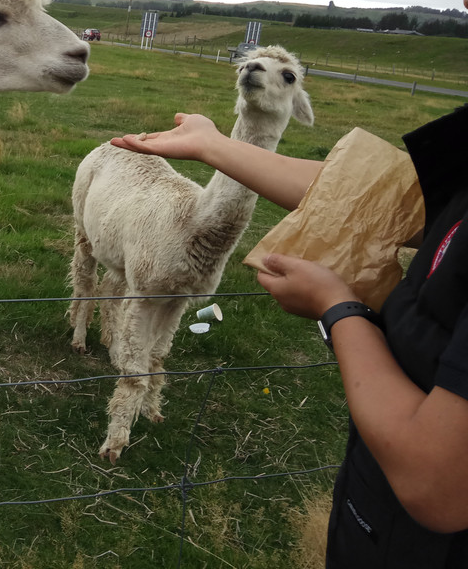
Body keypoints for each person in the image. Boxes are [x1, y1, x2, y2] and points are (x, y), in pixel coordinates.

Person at [111, 107, 468, 567]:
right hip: (379, 519)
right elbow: (380, 198)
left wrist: (337, 309)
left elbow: (436, 483)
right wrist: (212, 145)